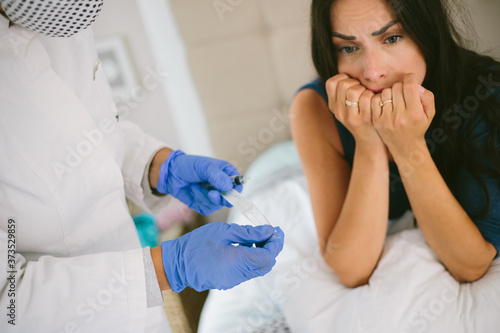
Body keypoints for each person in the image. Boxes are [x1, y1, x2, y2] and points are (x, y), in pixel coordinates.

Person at [0, 1, 284, 332]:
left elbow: (84, 129)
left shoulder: (58, 13)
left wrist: (158, 166)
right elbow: (8, 305)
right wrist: (166, 269)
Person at [290, 0, 500, 288]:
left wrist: (407, 145)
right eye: (349, 48)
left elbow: (471, 264)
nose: (372, 72)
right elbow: (352, 269)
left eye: (392, 38)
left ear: (427, 32)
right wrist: (368, 140)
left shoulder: (484, 95)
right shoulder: (314, 109)